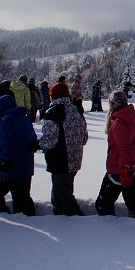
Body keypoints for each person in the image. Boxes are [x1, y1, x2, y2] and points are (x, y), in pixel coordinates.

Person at [37, 82, 89, 216]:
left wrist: (37, 144)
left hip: (60, 160)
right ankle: (60, 215)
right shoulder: (76, 110)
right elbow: (84, 137)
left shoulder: (54, 112)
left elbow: (50, 139)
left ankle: (74, 220)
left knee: (63, 195)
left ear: (52, 97)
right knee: (63, 190)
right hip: (75, 159)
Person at [95, 91, 135, 219]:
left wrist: (123, 170)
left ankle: (110, 230)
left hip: (119, 170)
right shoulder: (131, 117)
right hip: (133, 167)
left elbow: (125, 148)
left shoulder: (119, 123)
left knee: (103, 205)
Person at [0, 95, 37, 216]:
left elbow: (6, 145)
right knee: (23, 198)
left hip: (11, 168)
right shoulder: (25, 119)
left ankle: (3, 215)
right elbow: (33, 140)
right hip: (26, 167)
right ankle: (32, 220)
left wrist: (2, 164)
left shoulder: (6, 121)